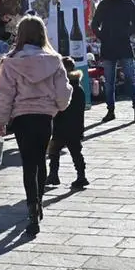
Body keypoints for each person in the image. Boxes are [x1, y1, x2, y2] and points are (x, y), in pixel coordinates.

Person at [0, 15, 73, 237]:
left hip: (22, 117)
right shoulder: (54, 60)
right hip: (45, 116)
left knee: (28, 163)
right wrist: (58, 106)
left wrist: (1, 121)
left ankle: (32, 206)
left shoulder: (10, 62)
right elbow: (63, 93)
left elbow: (5, 95)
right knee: (40, 158)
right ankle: (39, 201)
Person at [90, 0, 135, 124]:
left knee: (131, 79)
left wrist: (126, 33)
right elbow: (94, 24)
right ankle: (110, 110)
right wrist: (102, 36)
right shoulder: (103, 5)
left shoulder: (127, 3)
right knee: (109, 81)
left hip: (123, 45)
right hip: (108, 46)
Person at [46, 56, 88, 190]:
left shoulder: (63, 87)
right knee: (76, 152)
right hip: (75, 127)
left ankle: (53, 175)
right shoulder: (79, 88)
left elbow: (58, 106)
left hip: (61, 126)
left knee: (53, 151)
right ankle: (81, 176)